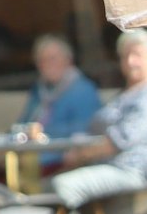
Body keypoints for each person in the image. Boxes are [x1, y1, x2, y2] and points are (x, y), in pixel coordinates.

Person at [47, 28, 147, 208]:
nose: (131, 61)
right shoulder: (128, 93)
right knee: (45, 184)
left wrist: (80, 155)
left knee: (64, 185)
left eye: (137, 55)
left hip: (137, 171)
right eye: (125, 56)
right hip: (109, 166)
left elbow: (119, 141)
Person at [16, 35, 101, 171]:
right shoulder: (39, 90)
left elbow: (85, 131)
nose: (47, 64)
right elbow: (23, 123)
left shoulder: (82, 90)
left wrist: (43, 133)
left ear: (68, 61)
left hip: (59, 159)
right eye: (42, 60)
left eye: (53, 59)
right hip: (30, 155)